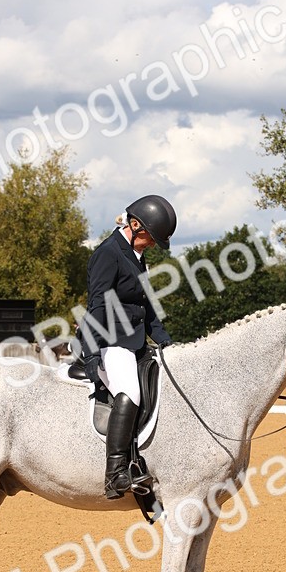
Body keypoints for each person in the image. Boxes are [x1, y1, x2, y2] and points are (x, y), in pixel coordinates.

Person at [79, 195, 176, 499]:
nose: (150, 244)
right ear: (135, 225)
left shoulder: (135, 254)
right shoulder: (108, 254)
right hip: (109, 340)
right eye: (149, 237)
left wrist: (164, 340)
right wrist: (93, 352)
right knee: (130, 391)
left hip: (134, 340)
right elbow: (97, 305)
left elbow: (145, 305)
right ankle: (116, 472)